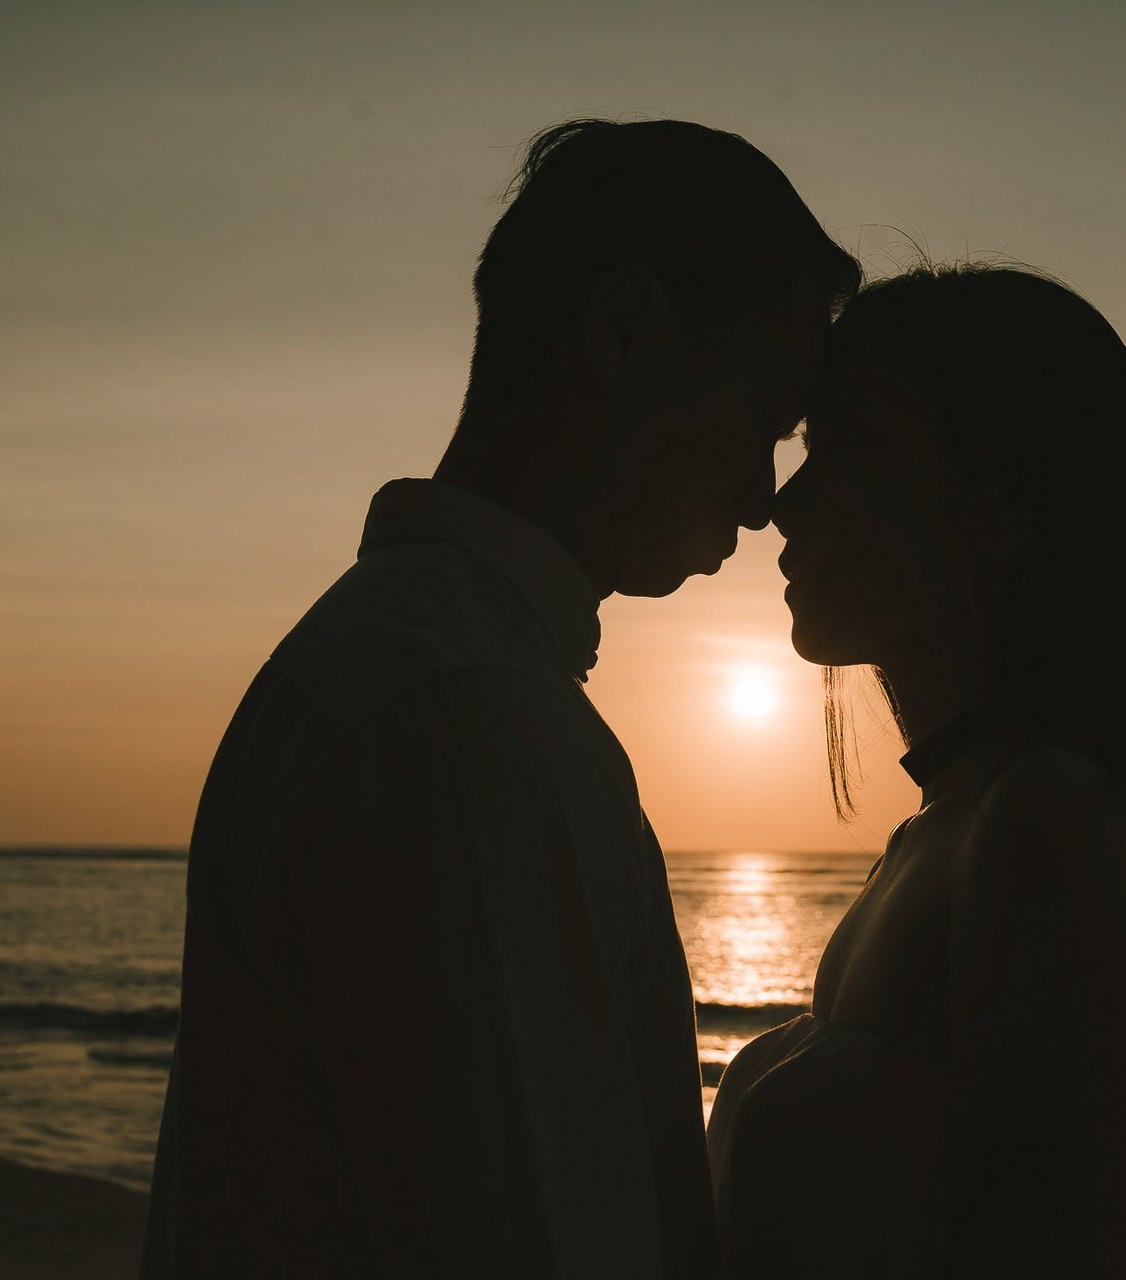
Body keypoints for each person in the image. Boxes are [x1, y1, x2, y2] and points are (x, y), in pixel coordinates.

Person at [141, 119, 860, 1278]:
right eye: (760, 421)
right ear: (627, 329)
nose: (765, 495)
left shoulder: (407, 665)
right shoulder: (464, 715)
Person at [704, 265, 1126, 1279]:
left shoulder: (1061, 823)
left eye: (849, 447)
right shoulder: (964, 821)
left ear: (1006, 499)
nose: (786, 500)